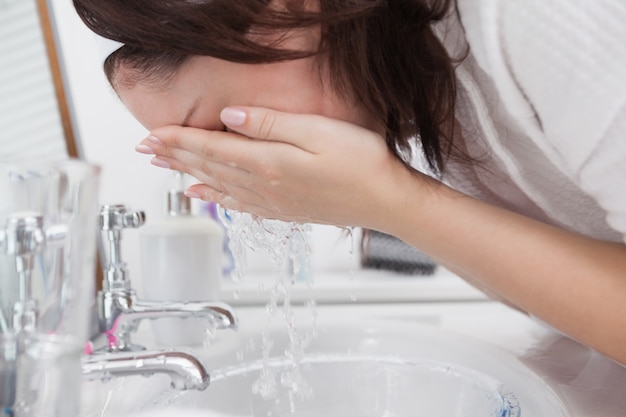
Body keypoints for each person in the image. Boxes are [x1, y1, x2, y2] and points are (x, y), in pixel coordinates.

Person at [73, 0, 626, 365]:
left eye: (221, 129)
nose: (237, 165)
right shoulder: (417, 87)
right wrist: (378, 199)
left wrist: (395, 201)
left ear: (289, 8)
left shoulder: (532, 15)